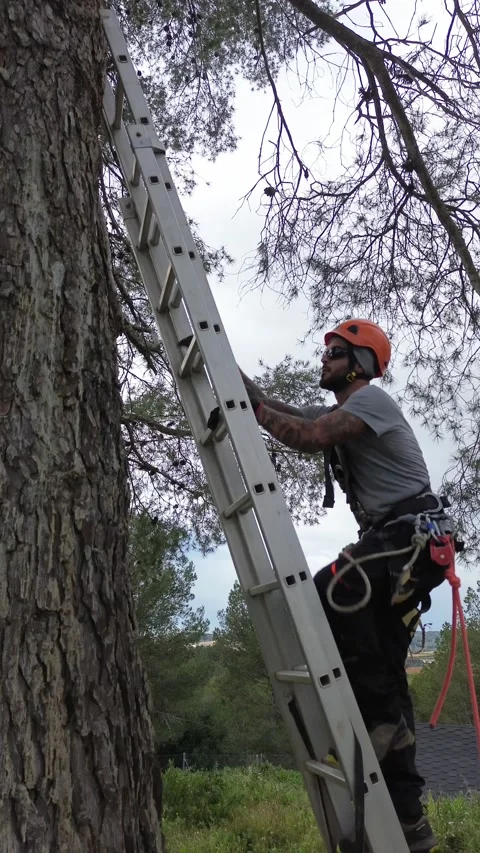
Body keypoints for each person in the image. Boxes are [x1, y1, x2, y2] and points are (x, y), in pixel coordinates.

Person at [240, 318, 456, 853]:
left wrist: (259, 413)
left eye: (335, 352)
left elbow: (308, 437)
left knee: (325, 594)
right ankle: (408, 820)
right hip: (400, 547)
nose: (324, 360)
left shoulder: (371, 403)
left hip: (409, 539)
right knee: (383, 671)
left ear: (360, 364)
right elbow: (287, 412)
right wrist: (234, 381)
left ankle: (360, 717)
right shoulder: (344, 409)